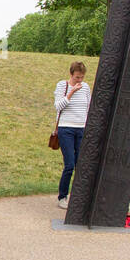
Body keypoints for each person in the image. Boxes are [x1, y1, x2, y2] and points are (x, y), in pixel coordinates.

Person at [54, 61, 91, 209]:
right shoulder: (62, 85)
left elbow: (88, 106)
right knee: (69, 164)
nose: (79, 81)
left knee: (80, 164)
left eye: (81, 77)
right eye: (77, 77)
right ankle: (62, 196)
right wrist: (71, 92)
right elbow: (57, 106)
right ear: (71, 75)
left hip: (81, 128)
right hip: (66, 128)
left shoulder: (86, 87)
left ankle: (78, 196)